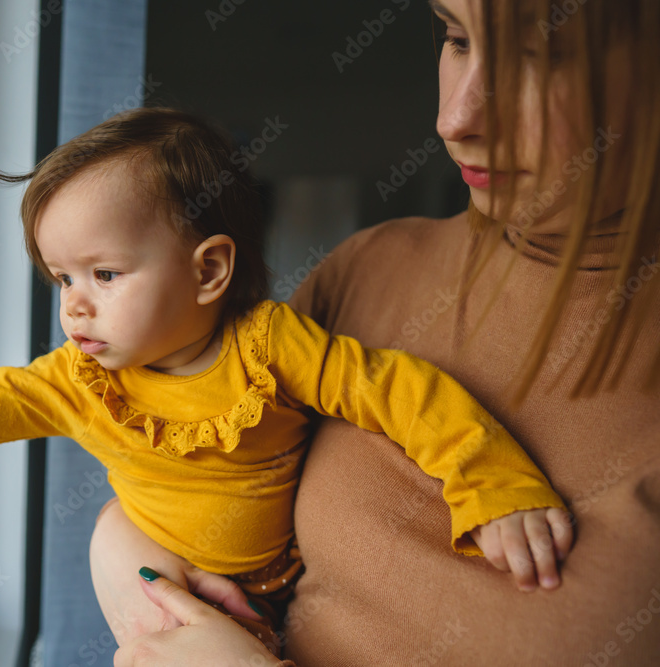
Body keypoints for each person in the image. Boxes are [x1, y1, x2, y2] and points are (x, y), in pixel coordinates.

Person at [0, 107, 572, 658]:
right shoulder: (77, 381)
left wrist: (491, 483)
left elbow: (402, 391)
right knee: (119, 552)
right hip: (162, 580)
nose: (74, 305)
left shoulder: (272, 347)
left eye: (103, 273)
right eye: (60, 278)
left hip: (276, 590)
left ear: (209, 269)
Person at [93, 1, 660, 665]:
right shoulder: (368, 269)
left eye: (536, 57)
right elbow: (192, 495)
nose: (456, 119)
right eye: (453, 38)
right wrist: (126, 556)